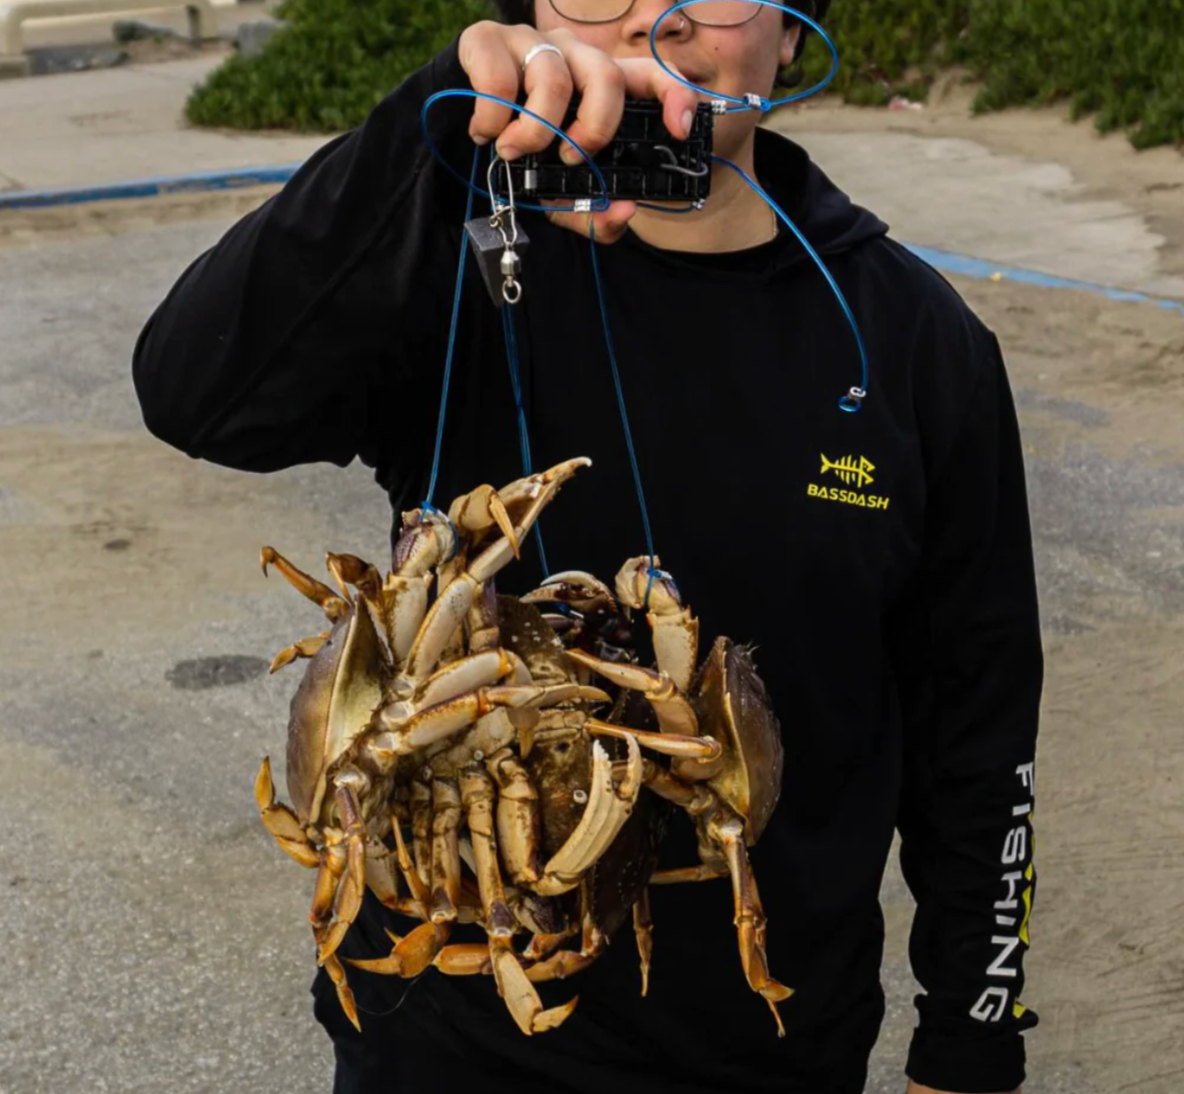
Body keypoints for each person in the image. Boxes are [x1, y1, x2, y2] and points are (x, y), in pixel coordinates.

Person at [131, 1, 1042, 1092]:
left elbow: (975, 727)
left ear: (792, 35)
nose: (653, 20)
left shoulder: (909, 342)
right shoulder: (458, 268)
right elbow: (194, 395)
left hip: (763, 1047)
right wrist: (427, 131)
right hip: (446, 1040)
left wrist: (970, 1040)